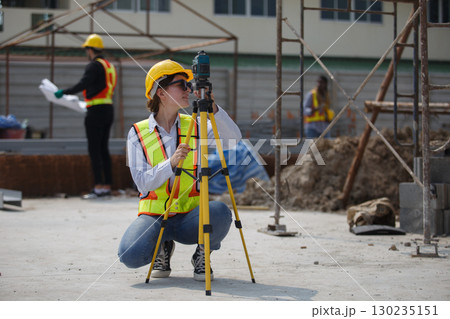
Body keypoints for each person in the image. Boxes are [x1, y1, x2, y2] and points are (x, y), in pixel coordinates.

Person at [118, 59, 242, 281]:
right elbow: (142, 183)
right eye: (181, 85)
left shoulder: (194, 125)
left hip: (190, 218)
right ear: (161, 93)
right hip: (154, 217)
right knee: (130, 255)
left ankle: (203, 254)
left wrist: (213, 108)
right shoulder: (138, 132)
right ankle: (162, 247)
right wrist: (171, 163)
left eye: (189, 85)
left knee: (221, 212)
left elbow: (233, 140)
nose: (189, 89)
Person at [54, 34, 117, 199]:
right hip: (108, 109)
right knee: (103, 148)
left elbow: (84, 83)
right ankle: (106, 187)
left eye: (86, 49)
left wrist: (64, 92)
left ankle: (97, 187)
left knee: (94, 149)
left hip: (95, 111)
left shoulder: (94, 66)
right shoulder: (109, 66)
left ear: (90, 50)